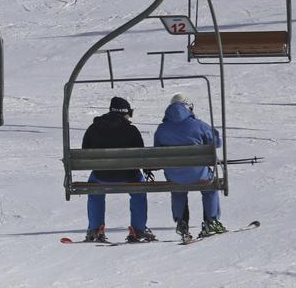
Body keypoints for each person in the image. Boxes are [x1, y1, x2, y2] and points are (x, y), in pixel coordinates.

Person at [81, 97, 155, 243]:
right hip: (129, 176)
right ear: (125, 112)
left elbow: (85, 153)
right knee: (138, 190)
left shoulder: (93, 128)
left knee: (95, 189)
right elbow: (141, 156)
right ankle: (138, 229)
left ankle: (95, 228)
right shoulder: (131, 130)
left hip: (101, 175)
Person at [154, 93, 224, 240]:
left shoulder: (162, 129)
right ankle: (211, 220)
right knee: (209, 187)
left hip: (174, 175)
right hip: (199, 174)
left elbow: (157, 151)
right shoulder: (198, 125)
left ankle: (181, 221)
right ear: (188, 107)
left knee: (178, 188)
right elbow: (217, 142)